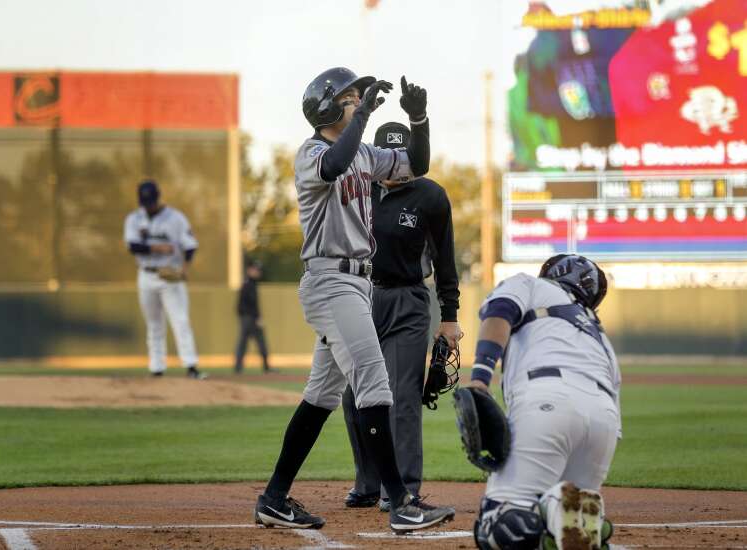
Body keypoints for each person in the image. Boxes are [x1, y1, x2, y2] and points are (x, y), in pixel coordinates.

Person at [253, 67, 455, 533]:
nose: (357, 102)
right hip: (330, 280)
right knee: (374, 384)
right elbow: (335, 165)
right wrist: (363, 115)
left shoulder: (363, 151)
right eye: (348, 98)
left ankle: (274, 498)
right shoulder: (313, 152)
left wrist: (419, 119)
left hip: (357, 286)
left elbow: (416, 164)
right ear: (325, 107)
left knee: (321, 396)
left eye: (357, 98)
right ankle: (402, 503)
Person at [342, 121, 462, 512]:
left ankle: (404, 489)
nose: (397, 169)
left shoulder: (430, 196)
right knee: (351, 395)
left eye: (404, 159)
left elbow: (445, 260)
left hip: (408, 301)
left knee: (403, 397)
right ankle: (370, 482)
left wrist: (450, 316)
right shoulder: (357, 189)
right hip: (359, 296)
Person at [468, 254, 620, 550]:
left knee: (502, 525)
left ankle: (558, 508)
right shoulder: (599, 335)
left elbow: (500, 311)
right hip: (604, 421)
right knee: (562, 534)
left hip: (546, 398)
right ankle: (569, 513)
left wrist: (479, 378)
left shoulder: (529, 284)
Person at [123, 179, 206, 379]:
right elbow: (132, 246)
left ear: (157, 198)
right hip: (146, 274)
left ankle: (191, 366)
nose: (148, 205)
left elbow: (190, 246)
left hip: (170, 275)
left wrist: (185, 268)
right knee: (153, 323)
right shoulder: (135, 218)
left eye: (151, 201)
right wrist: (157, 247)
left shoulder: (175, 218)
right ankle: (156, 367)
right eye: (145, 202)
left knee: (180, 320)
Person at [234, 259, 275, 374]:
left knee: (250, 342)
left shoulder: (251, 284)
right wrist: (255, 318)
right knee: (248, 342)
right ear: (250, 270)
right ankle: (240, 367)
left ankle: (240, 367)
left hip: (248, 318)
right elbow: (244, 305)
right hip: (248, 318)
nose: (258, 272)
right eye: (256, 269)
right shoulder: (247, 284)